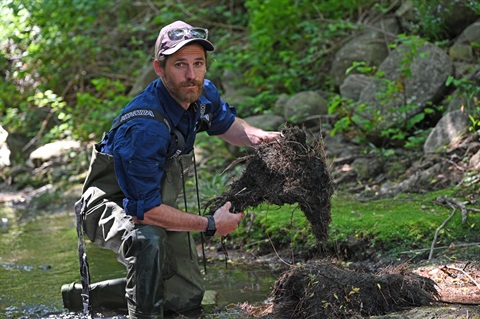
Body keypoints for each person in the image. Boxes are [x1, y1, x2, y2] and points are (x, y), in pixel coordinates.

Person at [62, 20, 280, 319]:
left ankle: (80, 297)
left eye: (198, 63)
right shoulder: (145, 126)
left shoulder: (201, 93)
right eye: (180, 64)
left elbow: (227, 125)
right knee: (147, 241)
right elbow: (145, 213)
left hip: (149, 201)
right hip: (107, 205)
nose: (191, 75)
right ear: (159, 68)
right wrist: (211, 224)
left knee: (185, 299)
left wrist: (262, 138)